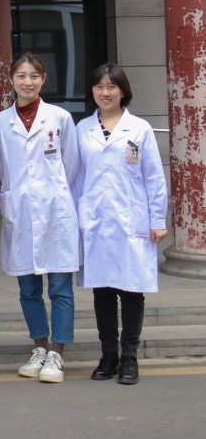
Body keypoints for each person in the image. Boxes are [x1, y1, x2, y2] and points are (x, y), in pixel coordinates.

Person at [0, 53, 81, 384]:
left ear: (43, 79)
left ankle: (57, 352)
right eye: (21, 76)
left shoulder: (60, 118)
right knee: (28, 288)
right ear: (11, 80)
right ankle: (39, 347)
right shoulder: (0, 123)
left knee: (60, 288)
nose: (27, 82)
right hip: (20, 213)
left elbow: (71, 166)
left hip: (56, 212)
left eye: (34, 76)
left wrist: (54, 194)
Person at [76, 63, 167, 385]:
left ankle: (129, 357)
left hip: (132, 220)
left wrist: (157, 220)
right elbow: (77, 178)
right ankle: (108, 355)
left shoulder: (139, 129)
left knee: (131, 291)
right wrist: (77, 217)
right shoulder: (82, 129)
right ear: (92, 91)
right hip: (96, 220)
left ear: (123, 91)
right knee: (102, 291)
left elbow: (153, 177)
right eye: (99, 86)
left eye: (111, 86)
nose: (105, 93)